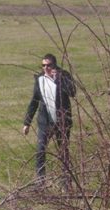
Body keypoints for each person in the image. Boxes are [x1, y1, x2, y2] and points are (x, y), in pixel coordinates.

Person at [22, 53, 76, 187]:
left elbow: (72, 92)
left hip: (62, 122)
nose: (46, 68)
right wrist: (27, 123)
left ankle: (66, 183)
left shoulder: (64, 76)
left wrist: (58, 79)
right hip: (45, 122)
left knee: (63, 152)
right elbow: (34, 101)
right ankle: (41, 182)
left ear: (55, 65)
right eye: (43, 65)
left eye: (49, 65)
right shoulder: (40, 79)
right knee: (40, 151)